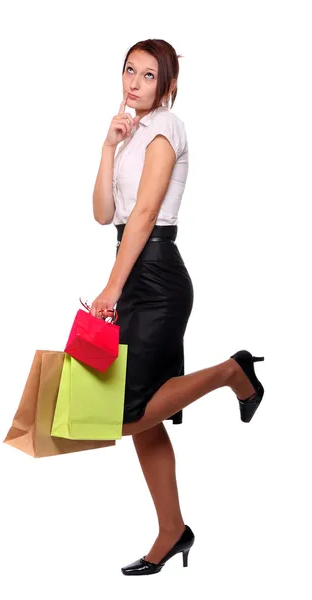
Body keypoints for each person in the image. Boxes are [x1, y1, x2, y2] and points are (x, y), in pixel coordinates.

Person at [91, 39, 265, 576]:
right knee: (141, 421)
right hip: (135, 269)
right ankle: (173, 531)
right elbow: (104, 215)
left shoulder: (167, 128)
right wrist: (105, 147)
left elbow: (144, 215)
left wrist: (112, 289)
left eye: (148, 75)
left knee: (131, 413)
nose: (134, 83)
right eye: (129, 71)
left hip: (158, 278)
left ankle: (231, 372)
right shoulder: (131, 136)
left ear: (166, 85)